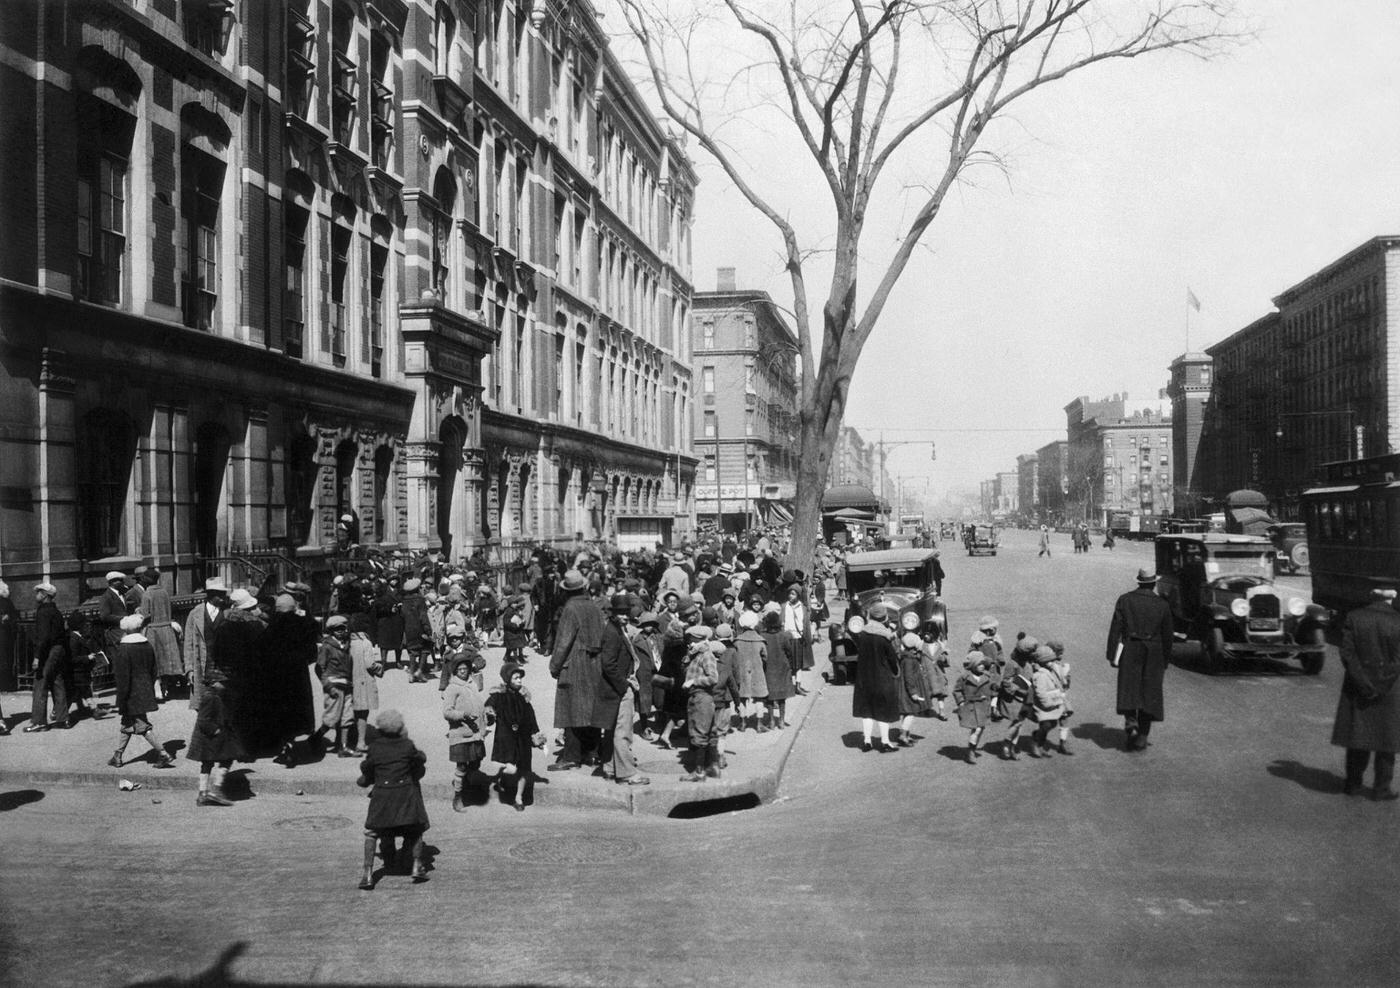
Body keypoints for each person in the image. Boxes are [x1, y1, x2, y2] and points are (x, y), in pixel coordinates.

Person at [1331, 586, 1400, 800]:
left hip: (1357, 687)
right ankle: (1382, 789)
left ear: (1372, 595)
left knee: (1358, 736)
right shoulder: (1398, 621)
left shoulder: (1354, 617)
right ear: (1393, 596)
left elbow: (1347, 654)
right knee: (1387, 740)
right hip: (1389, 690)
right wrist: (1382, 684)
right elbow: (1398, 660)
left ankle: (1352, 784)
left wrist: (1364, 683)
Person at [356, 709, 430, 889]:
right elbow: (420, 761)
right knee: (416, 828)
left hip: (382, 799)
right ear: (400, 728)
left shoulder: (374, 747)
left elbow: (367, 771)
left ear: (380, 729)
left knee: (372, 832)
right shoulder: (407, 745)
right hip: (405, 797)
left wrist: (364, 780)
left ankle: (367, 874)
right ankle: (417, 865)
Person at [1106, 567, 1174, 752]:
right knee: (1149, 693)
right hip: (1154, 653)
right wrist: (1165, 659)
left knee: (1129, 688)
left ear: (1139, 581)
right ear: (1153, 583)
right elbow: (1168, 636)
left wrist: (1112, 654)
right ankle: (1143, 736)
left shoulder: (1125, 600)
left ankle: (1131, 722)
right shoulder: (1162, 605)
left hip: (1130, 648)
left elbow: (1116, 629)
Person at [548, 569, 606, 770]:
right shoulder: (594, 607)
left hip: (574, 664)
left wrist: (554, 666)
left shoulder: (570, 608)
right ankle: (592, 752)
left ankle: (571, 756)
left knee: (570, 711)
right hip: (594, 663)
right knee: (590, 710)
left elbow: (563, 641)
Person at [107, 615, 176, 769]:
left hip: (130, 693)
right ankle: (117, 755)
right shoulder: (147, 645)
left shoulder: (123, 649)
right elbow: (154, 669)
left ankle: (163, 753)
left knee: (141, 725)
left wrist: (121, 698)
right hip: (145, 690)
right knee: (127, 723)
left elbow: (122, 678)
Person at [596, 595, 650, 786]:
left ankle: (610, 767)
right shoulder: (612, 632)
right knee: (623, 731)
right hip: (619, 687)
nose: (625, 617)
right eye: (621, 613)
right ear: (613, 614)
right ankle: (627, 773)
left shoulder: (615, 628)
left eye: (627, 613)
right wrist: (624, 685)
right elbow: (608, 664)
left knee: (612, 729)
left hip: (613, 687)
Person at [485, 663, 545, 810]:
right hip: (507, 738)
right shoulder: (499, 696)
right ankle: (506, 787)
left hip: (523, 738)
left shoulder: (523, 697)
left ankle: (518, 798)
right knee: (510, 768)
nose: (520, 681)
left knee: (524, 768)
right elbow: (489, 707)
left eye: (520, 678)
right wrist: (489, 713)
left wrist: (536, 735)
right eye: (516, 678)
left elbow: (531, 718)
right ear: (508, 679)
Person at [851, 603, 902, 753]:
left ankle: (867, 741)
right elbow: (893, 659)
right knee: (883, 711)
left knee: (867, 710)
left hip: (864, 678)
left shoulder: (862, 634)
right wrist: (895, 671)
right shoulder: (885, 637)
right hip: (882, 678)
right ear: (884, 618)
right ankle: (885, 742)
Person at [442, 653, 489, 811]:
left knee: (476, 762)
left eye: (465, 668)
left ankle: (465, 786)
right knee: (461, 766)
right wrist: (463, 715)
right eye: (460, 669)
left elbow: (479, 704)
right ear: (455, 671)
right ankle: (458, 797)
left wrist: (487, 715)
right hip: (461, 733)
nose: (463, 671)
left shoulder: (472, 684)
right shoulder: (452, 688)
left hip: (476, 733)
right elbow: (447, 712)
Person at [187, 679, 245, 806]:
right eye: (222, 683)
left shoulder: (218, 695)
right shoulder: (210, 697)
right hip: (210, 736)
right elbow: (203, 720)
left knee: (209, 762)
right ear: (214, 683)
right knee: (225, 758)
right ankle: (215, 789)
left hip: (212, 736)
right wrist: (216, 731)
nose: (225, 685)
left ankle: (203, 793)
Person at [26, 583, 70, 732]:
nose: (36, 594)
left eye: (38, 592)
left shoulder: (43, 611)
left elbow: (43, 637)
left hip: (48, 651)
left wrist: (37, 657)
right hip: (59, 650)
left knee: (40, 683)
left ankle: (39, 722)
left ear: (45, 595)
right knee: (57, 682)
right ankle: (63, 719)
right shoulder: (55, 611)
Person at [137, 569, 184, 701]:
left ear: (147, 579)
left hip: (153, 630)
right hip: (167, 629)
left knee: (154, 660)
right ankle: (165, 688)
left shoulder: (147, 594)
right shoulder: (164, 592)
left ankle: (158, 691)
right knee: (165, 660)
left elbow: (145, 615)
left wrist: (138, 611)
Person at [680, 625, 719, 782]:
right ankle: (711, 768)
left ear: (700, 641)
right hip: (696, 697)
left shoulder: (706, 655)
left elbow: (713, 678)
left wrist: (693, 682)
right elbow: (684, 669)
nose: (689, 645)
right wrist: (688, 656)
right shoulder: (696, 655)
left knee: (699, 734)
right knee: (706, 733)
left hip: (702, 697)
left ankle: (699, 772)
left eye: (692, 642)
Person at [312, 615, 356, 756]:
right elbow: (319, 668)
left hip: (347, 684)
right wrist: (328, 686)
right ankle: (315, 738)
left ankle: (343, 747)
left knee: (347, 716)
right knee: (332, 717)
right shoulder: (327, 647)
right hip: (334, 684)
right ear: (331, 631)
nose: (341, 632)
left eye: (343, 628)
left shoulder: (347, 644)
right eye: (337, 629)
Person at [185, 577, 230, 712]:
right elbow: (189, 644)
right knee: (203, 705)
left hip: (223, 666)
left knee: (224, 703)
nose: (223, 597)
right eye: (220, 594)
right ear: (211, 595)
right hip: (202, 666)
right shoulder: (195, 613)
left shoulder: (227, 613)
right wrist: (189, 669)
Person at [954, 652, 997, 764]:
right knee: (977, 729)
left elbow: (992, 689)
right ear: (973, 665)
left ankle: (972, 748)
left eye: (983, 664)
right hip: (970, 707)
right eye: (979, 664)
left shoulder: (986, 677)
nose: (982, 666)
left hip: (983, 707)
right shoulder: (964, 678)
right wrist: (961, 702)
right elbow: (957, 690)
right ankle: (971, 751)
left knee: (980, 729)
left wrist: (994, 691)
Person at [734, 610, 769, 732]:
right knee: (759, 697)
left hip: (742, 672)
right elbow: (765, 657)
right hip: (757, 671)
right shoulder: (760, 641)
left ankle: (743, 722)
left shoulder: (737, 641)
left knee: (742, 697)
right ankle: (759, 724)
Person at [895, 632, 930, 747]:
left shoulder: (906, 658)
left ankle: (906, 734)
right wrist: (913, 692)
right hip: (908, 691)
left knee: (907, 713)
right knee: (911, 713)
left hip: (905, 691)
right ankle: (903, 735)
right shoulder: (910, 660)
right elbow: (909, 677)